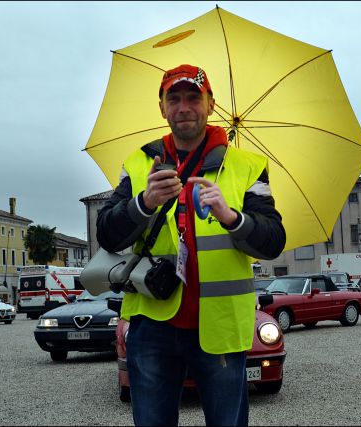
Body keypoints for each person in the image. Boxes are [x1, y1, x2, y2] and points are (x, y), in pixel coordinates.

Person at [96, 64, 286, 426]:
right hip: (153, 322)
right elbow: (107, 234)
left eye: (193, 98)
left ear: (210, 104)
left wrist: (232, 217)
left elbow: (273, 241)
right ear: (162, 107)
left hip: (221, 324)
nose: (184, 107)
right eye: (174, 98)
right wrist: (144, 203)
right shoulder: (139, 163)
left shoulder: (246, 165)